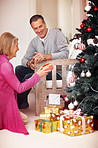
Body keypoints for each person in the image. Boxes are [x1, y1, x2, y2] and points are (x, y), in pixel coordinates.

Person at [0, 32, 51, 135]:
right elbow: (19, 88)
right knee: (24, 119)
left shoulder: (3, 60)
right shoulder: (5, 65)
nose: (18, 49)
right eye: (16, 46)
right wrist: (37, 75)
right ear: (9, 46)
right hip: (3, 103)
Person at [15, 14, 69, 109]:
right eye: (35, 28)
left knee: (29, 76)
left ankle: (16, 104)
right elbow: (24, 59)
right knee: (19, 69)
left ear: (45, 23)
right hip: (41, 71)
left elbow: (65, 53)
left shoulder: (57, 34)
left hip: (56, 72)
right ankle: (23, 102)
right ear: (33, 29)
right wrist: (29, 63)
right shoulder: (34, 42)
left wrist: (47, 56)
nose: (39, 30)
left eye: (40, 26)